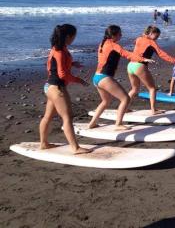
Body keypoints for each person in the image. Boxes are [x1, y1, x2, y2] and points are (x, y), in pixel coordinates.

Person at [88, 25, 154, 130]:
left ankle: (92, 123)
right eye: (119, 34)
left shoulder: (102, 43)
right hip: (105, 78)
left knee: (105, 101)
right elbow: (127, 54)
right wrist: (142, 59)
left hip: (96, 77)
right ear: (113, 35)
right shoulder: (113, 45)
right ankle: (118, 124)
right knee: (125, 99)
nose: (121, 35)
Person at [40, 24, 90, 154]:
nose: (74, 39)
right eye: (74, 36)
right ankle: (75, 148)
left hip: (49, 86)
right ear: (68, 36)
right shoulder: (60, 51)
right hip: (57, 88)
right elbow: (62, 74)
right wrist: (79, 80)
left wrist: (72, 64)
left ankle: (44, 143)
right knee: (67, 117)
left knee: (47, 117)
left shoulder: (57, 48)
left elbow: (51, 66)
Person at [127, 26, 175, 115]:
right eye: (156, 36)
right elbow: (161, 54)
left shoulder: (139, 38)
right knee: (152, 88)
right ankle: (153, 110)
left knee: (134, 89)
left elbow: (136, 44)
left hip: (130, 65)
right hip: (139, 66)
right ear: (150, 34)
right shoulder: (151, 42)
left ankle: (125, 107)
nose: (156, 39)